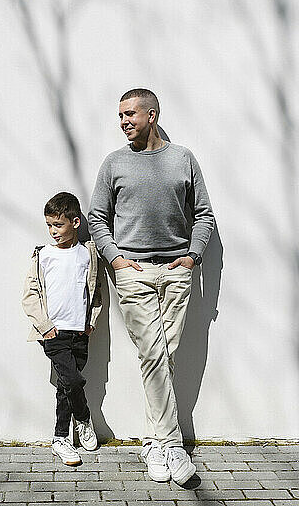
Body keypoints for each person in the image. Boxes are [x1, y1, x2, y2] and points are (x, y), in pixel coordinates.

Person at [88, 88, 214, 484]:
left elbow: (204, 215)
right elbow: (96, 217)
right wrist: (117, 260)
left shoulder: (182, 159)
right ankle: (172, 444)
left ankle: (153, 443)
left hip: (177, 270)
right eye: (120, 115)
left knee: (163, 356)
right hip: (133, 272)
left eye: (130, 114)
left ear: (152, 115)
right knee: (154, 354)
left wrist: (192, 256)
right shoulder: (115, 163)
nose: (123, 121)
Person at [22, 192, 102, 465]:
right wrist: (45, 327)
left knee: (65, 387)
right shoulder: (43, 255)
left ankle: (61, 438)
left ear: (76, 222)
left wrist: (91, 322)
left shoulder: (87, 254)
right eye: (49, 226)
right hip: (53, 332)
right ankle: (82, 418)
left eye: (58, 225)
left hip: (79, 331)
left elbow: (96, 291)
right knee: (73, 380)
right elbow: (30, 294)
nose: (52, 231)